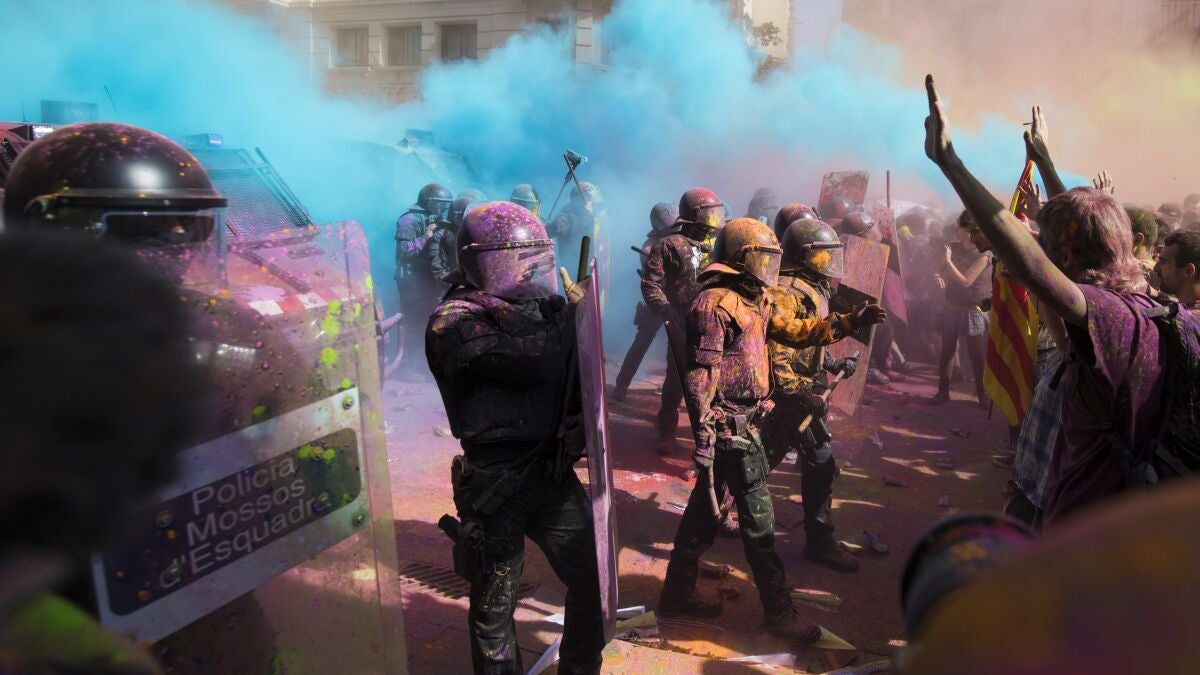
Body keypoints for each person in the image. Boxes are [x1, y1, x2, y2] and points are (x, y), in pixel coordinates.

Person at [924, 76, 1163, 522]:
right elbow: (1080, 234)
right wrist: (1044, 159)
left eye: (1051, 247)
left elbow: (1034, 264)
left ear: (1065, 257)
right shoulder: (1141, 301)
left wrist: (952, 164)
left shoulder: (1104, 315)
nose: (1043, 251)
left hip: (1067, 514)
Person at [658, 217, 883, 644]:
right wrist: (706, 434)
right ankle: (778, 611)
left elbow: (799, 332)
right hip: (731, 429)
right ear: (740, 259)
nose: (770, 268)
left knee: (702, 516)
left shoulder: (755, 298)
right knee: (760, 526)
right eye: (763, 258)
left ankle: (676, 593)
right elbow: (701, 376)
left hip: (748, 421)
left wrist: (849, 321)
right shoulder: (714, 304)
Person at [426, 201, 602, 674]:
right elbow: (530, 365)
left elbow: (575, 375)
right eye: (521, 260)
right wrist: (574, 319)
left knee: (595, 581)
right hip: (497, 482)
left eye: (536, 259)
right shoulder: (455, 318)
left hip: (552, 471)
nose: (531, 271)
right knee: (494, 610)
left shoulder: (543, 308)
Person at [760, 218, 886, 572]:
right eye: (827, 254)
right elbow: (776, 351)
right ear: (807, 254)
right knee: (816, 461)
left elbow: (807, 340)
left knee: (765, 458)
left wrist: (831, 363)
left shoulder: (809, 287)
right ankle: (819, 542)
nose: (832, 261)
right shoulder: (787, 291)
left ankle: (716, 510)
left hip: (798, 391)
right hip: (789, 394)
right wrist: (799, 396)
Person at [640, 188, 726, 455]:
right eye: (709, 214)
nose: (714, 220)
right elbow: (650, 283)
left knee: (713, 383)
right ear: (693, 215)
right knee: (676, 379)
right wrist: (665, 310)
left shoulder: (721, 243)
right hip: (680, 322)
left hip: (714, 324)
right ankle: (666, 432)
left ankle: (708, 443)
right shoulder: (670, 245)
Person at [612, 202, 679, 402]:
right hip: (657, 301)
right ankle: (621, 387)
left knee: (676, 347)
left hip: (676, 300)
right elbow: (652, 278)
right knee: (642, 342)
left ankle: (673, 389)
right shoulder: (650, 246)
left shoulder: (679, 242)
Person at [928, 212, 991, 406]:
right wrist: (937, 276)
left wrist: (949, 262)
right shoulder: (953, 246)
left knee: (976, 355)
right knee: (947, 350)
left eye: (960, 227)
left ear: (971, 231)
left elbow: (966, 282)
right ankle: (943, 391)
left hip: (973, 307)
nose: (956, 230)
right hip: (952, 305)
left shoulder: (983, 253)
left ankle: (982, 394)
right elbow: (937, 270)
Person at [396, 183, 454, 375]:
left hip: (426, 280)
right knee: (413, 322)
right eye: (440, 203)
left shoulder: (435, 218)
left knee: (427, 322)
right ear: (429, 202)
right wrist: (426, 237)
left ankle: (422, 364)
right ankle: (405, 367)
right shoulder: (409, 219)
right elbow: (403, 251)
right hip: (411, 281)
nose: (443, 208)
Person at [431, 190, 486, 283]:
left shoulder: (478, 232)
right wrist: (457, 285)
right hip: (455, 285)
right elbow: (438, 270)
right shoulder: (441, 235)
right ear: (457, 216)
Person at [549, 181, 601, 259]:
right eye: (590, 199)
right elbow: (576, 232)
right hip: (574, 263)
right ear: (580, 201)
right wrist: (586, 215)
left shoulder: (593, 214)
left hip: (592, 260)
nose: (592, 203)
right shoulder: (565, 217)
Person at [1155, 229, 1200, 310]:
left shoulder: (1183, 315)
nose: (1156, 268)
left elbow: (1149, 313)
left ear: (1188, 270)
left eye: (1163, 262)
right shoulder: (1186, 308)